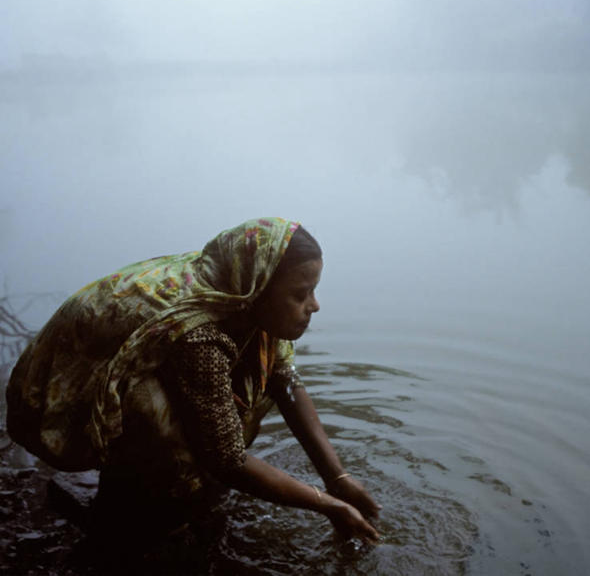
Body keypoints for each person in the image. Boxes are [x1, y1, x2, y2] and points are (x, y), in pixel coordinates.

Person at [5, 217, 380, 543]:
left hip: (150, 364)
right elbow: (227, 457)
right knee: (154, 412)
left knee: (263, 377)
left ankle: (174, 485)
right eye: (300, 295)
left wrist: (337, 476)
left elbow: (286, 381)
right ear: (258, 289)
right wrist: (328, 505)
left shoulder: (243, 292)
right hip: (66, 394)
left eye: (313, 290)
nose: (314, 305)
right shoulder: (199, 332)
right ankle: (125, 509)